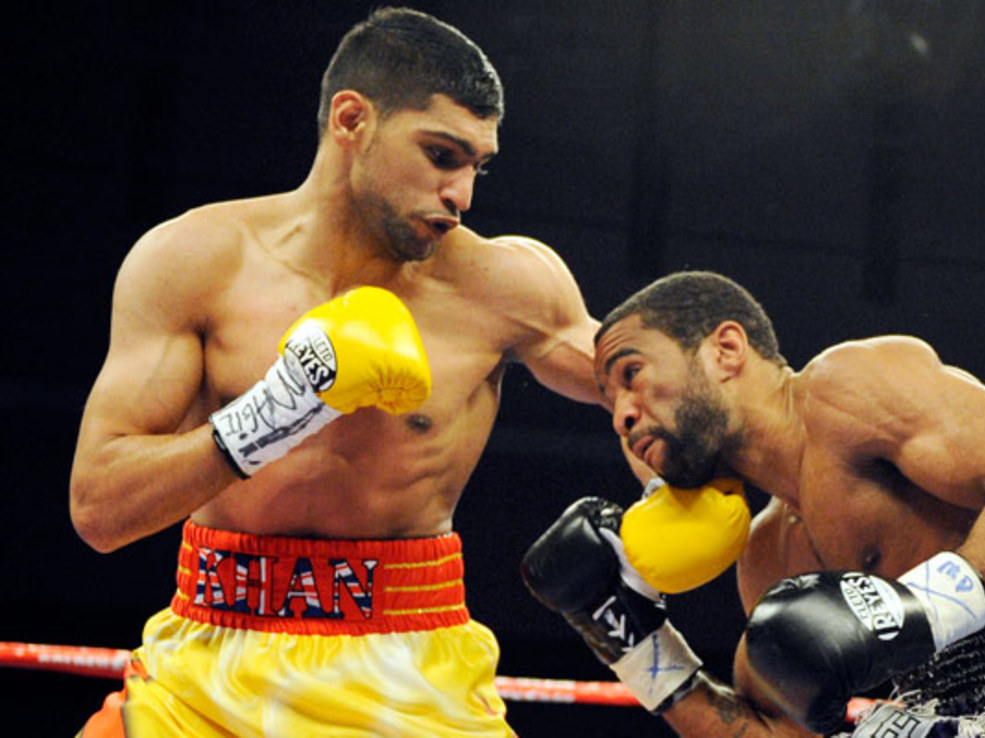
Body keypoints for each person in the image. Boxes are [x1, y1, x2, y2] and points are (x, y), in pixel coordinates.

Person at [68, 7, 607, 736]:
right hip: (202, 673)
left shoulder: (506, 284)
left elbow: (661, 396)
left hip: (414, 672)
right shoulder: (194, 261)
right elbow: (100, 509)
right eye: (442, 155)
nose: (463, 194)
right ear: (352, 120)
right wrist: (279, 410)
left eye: (477, 166)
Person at [521, 270, 985, 737]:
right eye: (608, 404)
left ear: (726, 349)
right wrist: (637, 647)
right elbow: (777, 733)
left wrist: (918, 607)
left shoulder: (848, 389)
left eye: (630, 375)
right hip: (926, 718)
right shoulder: (769, 557)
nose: (623, 415)